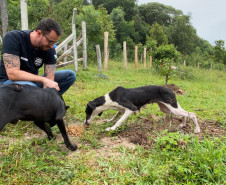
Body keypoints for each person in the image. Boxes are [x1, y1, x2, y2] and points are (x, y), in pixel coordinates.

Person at [0, 18, 76, 95]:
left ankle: (46, 103)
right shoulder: (14, 38)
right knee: (31, 88)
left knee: (70, 75)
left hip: (32, 84)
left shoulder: (49, 48)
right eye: (50, 42)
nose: (52, 46)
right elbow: (12, 74)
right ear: (39, 33)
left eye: (54, 42)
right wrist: (43, 80)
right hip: (7, 84)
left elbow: (50, 78)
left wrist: (49, 90)